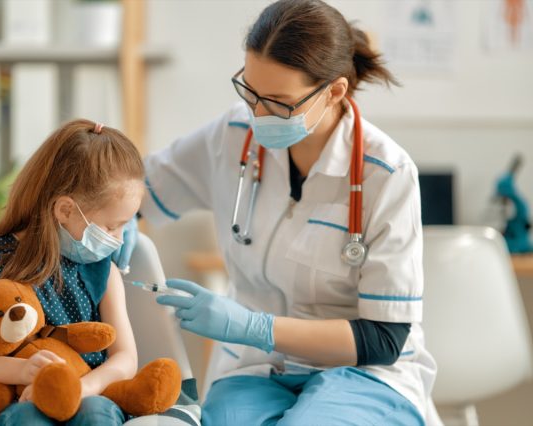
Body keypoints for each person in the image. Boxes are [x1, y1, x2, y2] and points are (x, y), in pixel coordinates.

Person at [139, 0, 437, 424]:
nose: (259, 114)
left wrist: (253, 327)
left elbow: (383, 337)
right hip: (254, 370)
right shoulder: (233, 133)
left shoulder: (386, 173)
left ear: (334, 91)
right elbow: (135, 190)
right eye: (251, 92)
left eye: (279, 102)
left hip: (365, 374)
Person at [0, 120, 145, 425]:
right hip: (18, 401)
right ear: (65, 210)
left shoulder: (104, 272)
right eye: (112, 226)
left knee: (97, 414)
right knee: (27, 418)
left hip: (89, 396)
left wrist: (85, 387)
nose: (119, 239)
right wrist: (21, 371)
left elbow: (126, 359)